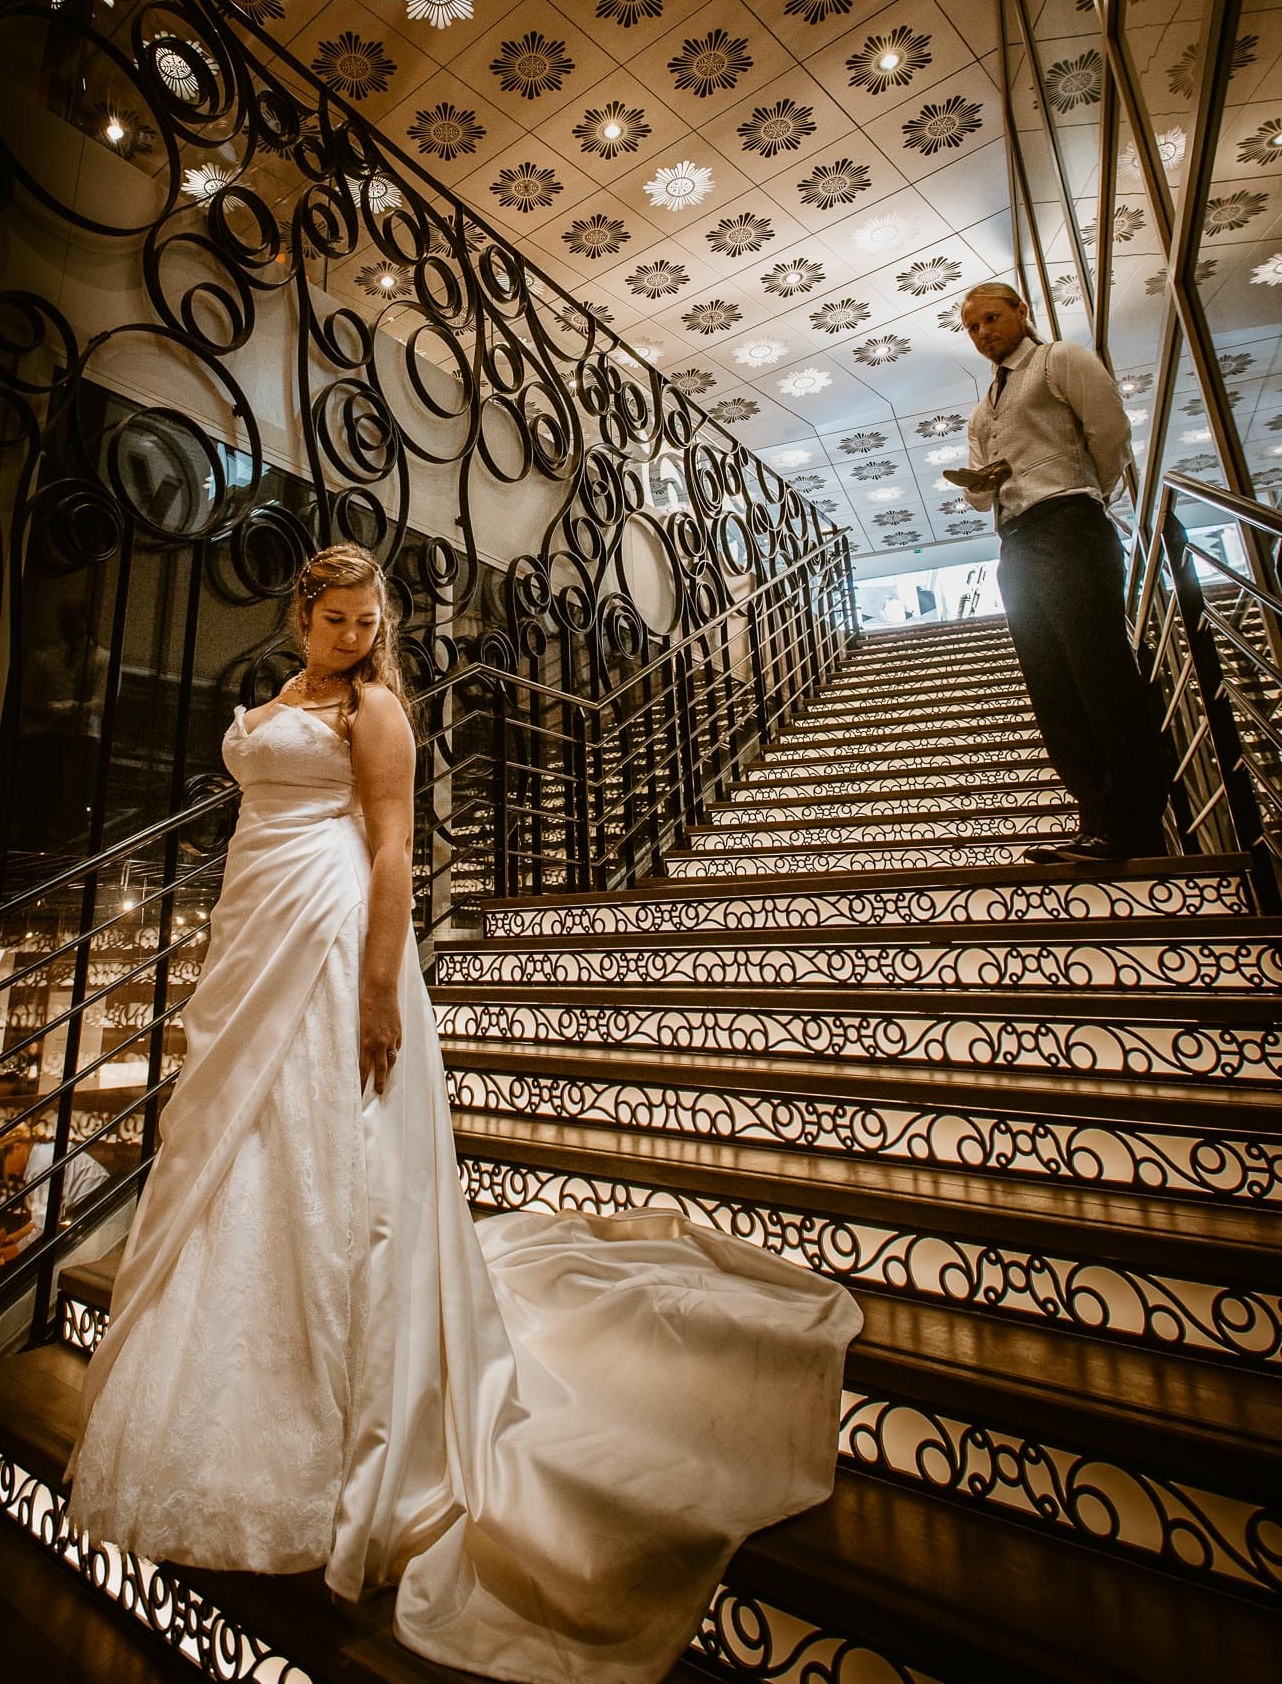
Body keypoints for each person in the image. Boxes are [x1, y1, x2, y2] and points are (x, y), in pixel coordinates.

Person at [65, 543, 861, 1684]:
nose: (351, 632)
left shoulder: (375, 709)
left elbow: (395, 845)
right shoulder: (286, 698)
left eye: (365, 617)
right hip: (255, 916)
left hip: (338, 924)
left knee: (330, 1148)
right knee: (235, 1142)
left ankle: (342, 1415)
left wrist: (382, 986)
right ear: (300, 617)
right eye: (333, 617)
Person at [955, 283, 1168, 864]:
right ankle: (1095, 816)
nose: (983, 334)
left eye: (991, 319)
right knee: (1053, 686)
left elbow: (1109, 433)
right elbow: (980, 497)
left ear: (1022, 312)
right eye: (972, 328)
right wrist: (982, 486)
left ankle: (1136, 825)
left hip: (1069, 525)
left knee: (1099, 672)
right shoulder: (983, 409)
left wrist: (1082, 495)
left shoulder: (1060, 359)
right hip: (1016, 543)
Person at [0, 1125, 110, 1268]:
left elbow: (43, 1228)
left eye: (3, 1163)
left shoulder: (38, 1168)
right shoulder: (43, 1154)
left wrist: (3, 1256)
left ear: (18, 1148)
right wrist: (13, 1237)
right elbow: (42, 1219)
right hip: (97, 1205)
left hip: (96, 1215)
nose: (9, 1172)